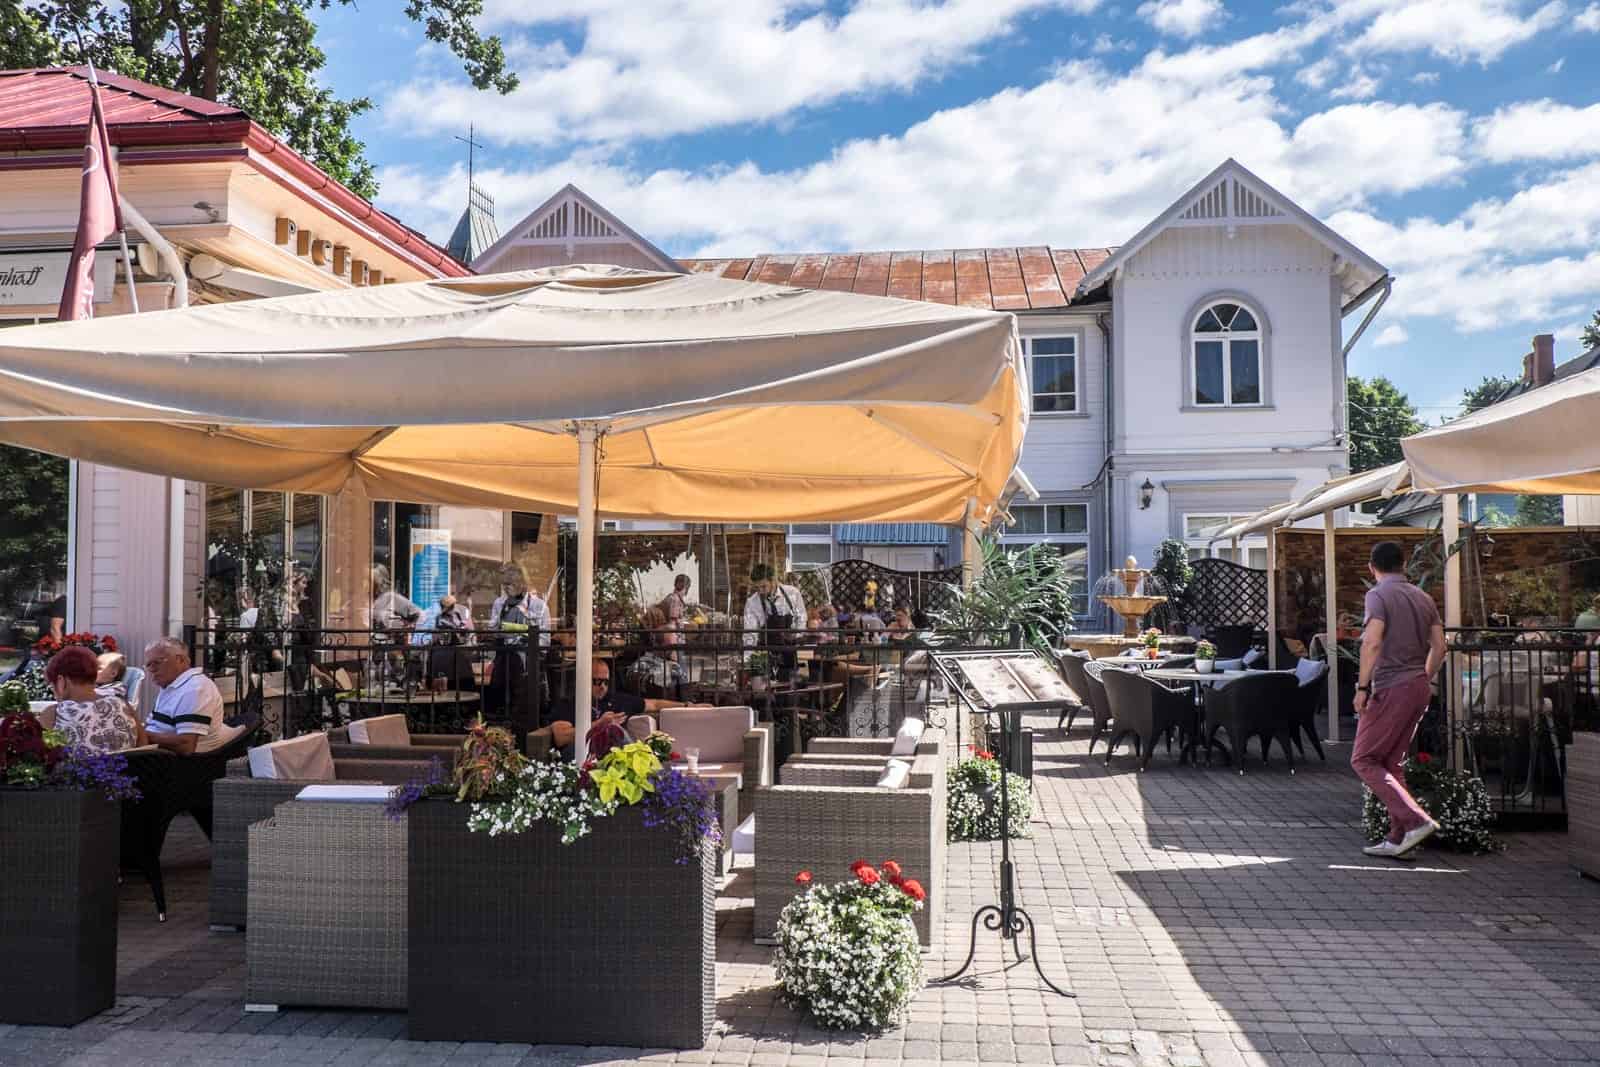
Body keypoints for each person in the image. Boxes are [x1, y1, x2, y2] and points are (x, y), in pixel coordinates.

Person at [1352, 541, 1446, 860]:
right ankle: (1400, 839)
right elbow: (1440, 647)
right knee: (1391, 763)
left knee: (1363, 759)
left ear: (1372, 567)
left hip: (1390, 686)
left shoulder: (1377, 595)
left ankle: (1414, 821)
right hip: (1418, 686)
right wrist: (1424, 676)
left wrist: (1362, 688)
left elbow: (1372, 642)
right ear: (1404, 565)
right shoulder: (1423, 597)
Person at [547, 660, 691, 757]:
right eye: (596, 681)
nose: (602, 686)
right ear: (583, 679)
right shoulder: (569, 703)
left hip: (614, 761)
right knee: (612, 730)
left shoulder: (617, 700)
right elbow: (561, 738)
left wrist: (688, 706)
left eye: (605, 682)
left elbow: (655, 704)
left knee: (615, 732)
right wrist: (599, 725)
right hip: (580, 757)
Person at [45, 646, 142, 754]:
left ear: (61, 681)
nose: (54, 693)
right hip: (126, 770)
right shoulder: (124, 706)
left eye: (52, 686)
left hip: (75, 771)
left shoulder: (53, 714)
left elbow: (37, 760)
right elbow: (143, 749)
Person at [143, 636, 228, 755]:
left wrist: (141, 735)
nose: (151, 670)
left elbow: (186, 746)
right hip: (154, 754)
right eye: (148, 665)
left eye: (157, 663)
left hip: (174, 764)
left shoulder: (195, 688)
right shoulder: (172, 685)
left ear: (180, 660)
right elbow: (152, 725)